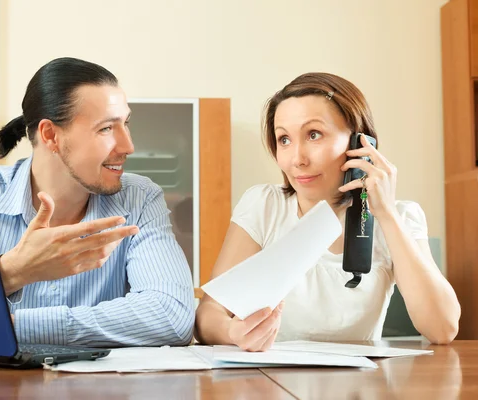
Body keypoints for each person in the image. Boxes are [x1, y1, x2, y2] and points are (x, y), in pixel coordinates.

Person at [0, 57, 195, 349]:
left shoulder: (140, 197)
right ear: (50, 135)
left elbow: (172, 316)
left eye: (126, 124)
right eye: (107, 128)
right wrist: (10, 272)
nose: (128, 145)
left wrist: (12, 327)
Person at [195, 72, 460, 351]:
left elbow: (442, 328)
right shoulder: (264, 206)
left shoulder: (401, 216)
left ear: (360, 143)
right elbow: (208, 315)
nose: (297, 159)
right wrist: (232, 332)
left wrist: (386, 213)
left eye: (314, 134)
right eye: (284, 139)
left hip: (360, 389)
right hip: (271, 383)